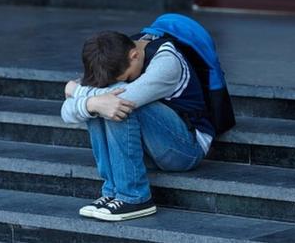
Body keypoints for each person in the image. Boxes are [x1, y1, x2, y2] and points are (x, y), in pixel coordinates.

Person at [60, 30, 215, 222]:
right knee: (101, 103)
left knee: (119, 104)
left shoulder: (167, 62)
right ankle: (113, 191)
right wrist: (91, 104)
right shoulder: (114, 55)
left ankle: (135, 197)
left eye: (126, 77)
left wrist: (74, 90)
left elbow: (119, 100)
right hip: (148, 146)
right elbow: (66, 113)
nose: (125, 80)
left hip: (187, 148)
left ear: (134, 55)